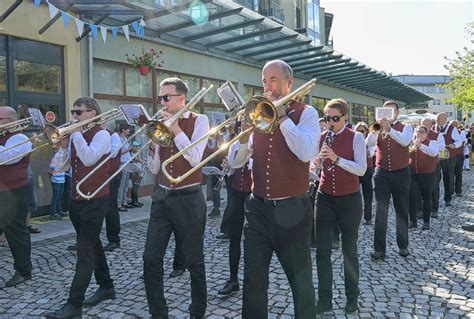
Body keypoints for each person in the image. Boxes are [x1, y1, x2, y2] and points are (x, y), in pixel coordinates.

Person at [228, 60, 319, 318]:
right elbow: (235, 162)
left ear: (290, 83)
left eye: (274, 80)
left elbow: (306, 152)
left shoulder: (306, 113)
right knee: (253, 281)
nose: (268, 86)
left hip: (292, 208)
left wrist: (281, 119)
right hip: (258, 209)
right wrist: (245, 135)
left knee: (299, 280)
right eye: (265, 81)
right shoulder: (256, 115)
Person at [144, 77, 209, 319]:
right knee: (150, 258)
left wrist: (176, 129)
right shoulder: (158, 123)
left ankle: (197, 312)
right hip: (161, 196)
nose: (161, 102)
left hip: (188, 198)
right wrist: (152, 147)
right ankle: (158, 312)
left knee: (194, 260)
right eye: (160, 97)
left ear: (181, 98)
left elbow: (195, 158)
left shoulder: (199, 120)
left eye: (165, 97)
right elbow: (153, 169)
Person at [46, 97, 115, 318]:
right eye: (73, 112)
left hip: (95, 199)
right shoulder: (78, 136)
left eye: (79, 112)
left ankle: (74, 304)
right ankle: (107, 287)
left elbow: (89, 158)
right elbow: (58, 168)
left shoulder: (102, 134)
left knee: (84, 250)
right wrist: (63, 147)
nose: (73, 116)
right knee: (93, 245)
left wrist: (74, 135)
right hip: (78, 200)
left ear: (92, 112)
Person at [314, 98, 367, 314]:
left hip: (349, 200)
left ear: (345, 117)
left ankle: (352, 297)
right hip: (324, 197)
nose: (330, 122)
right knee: (322, 252)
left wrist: (336, 159)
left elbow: (361, 169)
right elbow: (314, 166)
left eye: (335, 118)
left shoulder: (357, 138)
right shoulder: (320, 138)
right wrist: (314, 166)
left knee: (349, 250)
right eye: (327, 118)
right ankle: (324, 300)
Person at [367, 100, 413, 260]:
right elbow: (369, 145)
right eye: (385, 111)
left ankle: (403, 245)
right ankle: (379, 249)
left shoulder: (406, 127)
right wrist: (376, 131)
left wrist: (389, 129)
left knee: (401, 209)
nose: (388, 114)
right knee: (381, 211)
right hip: (382, 173)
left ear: (397, 113)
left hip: (401, 172)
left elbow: (405, 141)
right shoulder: (377, 128)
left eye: (391, 111)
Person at [0, 106, 33, 287]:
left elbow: (6, 158)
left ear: (11, 120)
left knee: (16, 232)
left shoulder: (21, 138)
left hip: (15, 192)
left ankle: (23, 270)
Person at [217, 156, 252, 295]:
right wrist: (229, 164)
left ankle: (252, 281)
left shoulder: (259, 138)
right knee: (234, 237)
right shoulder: (236, 142)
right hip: (237, 191)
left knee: (252, 239)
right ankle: (233, 280)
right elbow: (231, 171)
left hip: (254, 193)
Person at [408, 125, 439, 231]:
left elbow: (433, 153)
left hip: (427, 175)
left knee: (427, 198)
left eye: (422, 132)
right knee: (411, 197)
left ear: (426, 134)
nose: (419, 134)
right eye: (417, 131)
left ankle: (426, 222)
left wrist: (420, 146)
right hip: (413, 175)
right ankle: (413, 221)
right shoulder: (411, 142)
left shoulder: (432, 143)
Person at [433, 113, 462, 207]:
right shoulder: (433, 128)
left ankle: (448, 198)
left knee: (448, 176)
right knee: (435, 178)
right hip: (436, 156)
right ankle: (435, 200)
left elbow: (459, 141)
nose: (437, 120)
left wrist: (454, 145)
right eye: (437, 118)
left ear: (445, 119)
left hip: (449, 156)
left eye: (439, 118)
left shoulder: (451, 128)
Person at [103, 125, 123, 252]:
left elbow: (114, 153)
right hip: (94, 177)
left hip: (111, 175)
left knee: (110, 208)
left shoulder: (113, 135)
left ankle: (114, 239)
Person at [421, 118, 444, 219]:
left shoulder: (437, 135)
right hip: (419, 165)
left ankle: (434, 209)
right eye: (423, 124)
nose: (425, 126)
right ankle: (421, 210)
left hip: (433, 165)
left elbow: (441, 148)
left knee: (434, 187)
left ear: (431, 125)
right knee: (418, 189)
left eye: (427, 124)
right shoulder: (416, 134)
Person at [355, 122, 375, 225]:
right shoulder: (353, 140)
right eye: (358, 131)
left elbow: (370, 153)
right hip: (356, 169)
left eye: (362, 131)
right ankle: (355, 216)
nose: (360, 133)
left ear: (366, 132)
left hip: (367, 169)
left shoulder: (370, 141)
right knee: (354, 193)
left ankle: (368, 217)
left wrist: (363, 144)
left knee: (368, 194)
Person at [117, 123, 133, 211]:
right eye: (127, 129)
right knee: (122, 184)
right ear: (123, 130)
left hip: (127, 162)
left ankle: (124, 202)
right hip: (122, 163)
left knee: (126, 184)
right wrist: (129, 149)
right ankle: (119, 204)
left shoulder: (125, 138)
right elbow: (119, 152)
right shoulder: (119, 139)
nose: (129, 130)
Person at [451, 121, 467, 197]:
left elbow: (463, 141)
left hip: (459, 155)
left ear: (457, 126)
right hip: (451, 156)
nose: (453, 127)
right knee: (450, 174)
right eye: (452, 125)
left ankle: (458, 190)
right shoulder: (449, 133)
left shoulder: (462, 133)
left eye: (455, 125)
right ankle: (451, 190)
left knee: (458, 174)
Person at [48, 152, 66, 220]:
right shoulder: (55, 159)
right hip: (56, 180)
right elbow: (49, 171)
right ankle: (53, 213)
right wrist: (53, 178)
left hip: (62, 179)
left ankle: (59, 211)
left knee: (60, 196)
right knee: (55, 197)